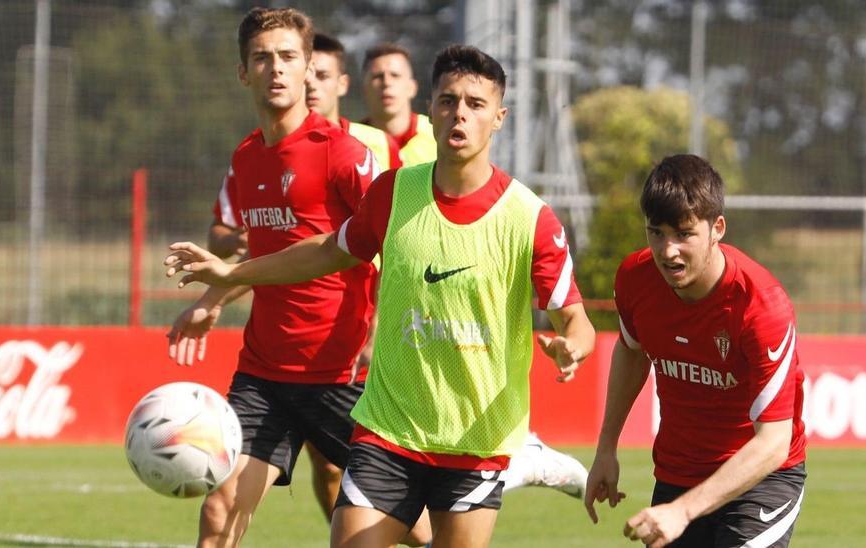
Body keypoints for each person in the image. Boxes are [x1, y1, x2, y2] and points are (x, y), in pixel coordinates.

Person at [165, 45, 597, 548]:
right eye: (448, 100)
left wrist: (574, 346)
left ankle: (527, 457)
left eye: (476, 104)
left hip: (475, 440)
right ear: (431, 109)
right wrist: (230, 272)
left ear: (499, 117)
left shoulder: (530, 218)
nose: (460, 113)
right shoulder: (395, 192)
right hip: (388, 430)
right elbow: (325, 251)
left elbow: (576, 319)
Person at [163, 8, 431, 547]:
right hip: (264, 374)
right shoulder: (246, 158)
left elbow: (394, 249)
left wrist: (384, 337)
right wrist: (214, 299)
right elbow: (272, 257)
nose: (276, 69)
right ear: (243, 72)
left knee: (414, 527)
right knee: (219, 508)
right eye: (262, 58)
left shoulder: (344, 154)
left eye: (289, 57)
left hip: (344, 375)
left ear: (309, 67)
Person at [583, 154, 808, 548]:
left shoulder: (761, 305)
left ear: (716, 228)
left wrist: (683, 512)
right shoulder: (635, 278)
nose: (668, 251)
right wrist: (606, 448)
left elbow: (773, 443)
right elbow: (632, 352)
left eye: (684, 234)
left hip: (760, 480)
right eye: (656, 233)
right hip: (677, 473)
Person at [306, 33, 399, 174]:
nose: (311, 84)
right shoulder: (272, 144)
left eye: (322, 76)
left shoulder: (381, 143)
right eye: (305, 76)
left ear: (343, 84)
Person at [361, 43, 436, 168]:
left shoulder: (437, 136)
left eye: (395, 75)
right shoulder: (351, 141)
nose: (386, 82)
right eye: (378, 77)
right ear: (364, 90)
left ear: (412, 88)